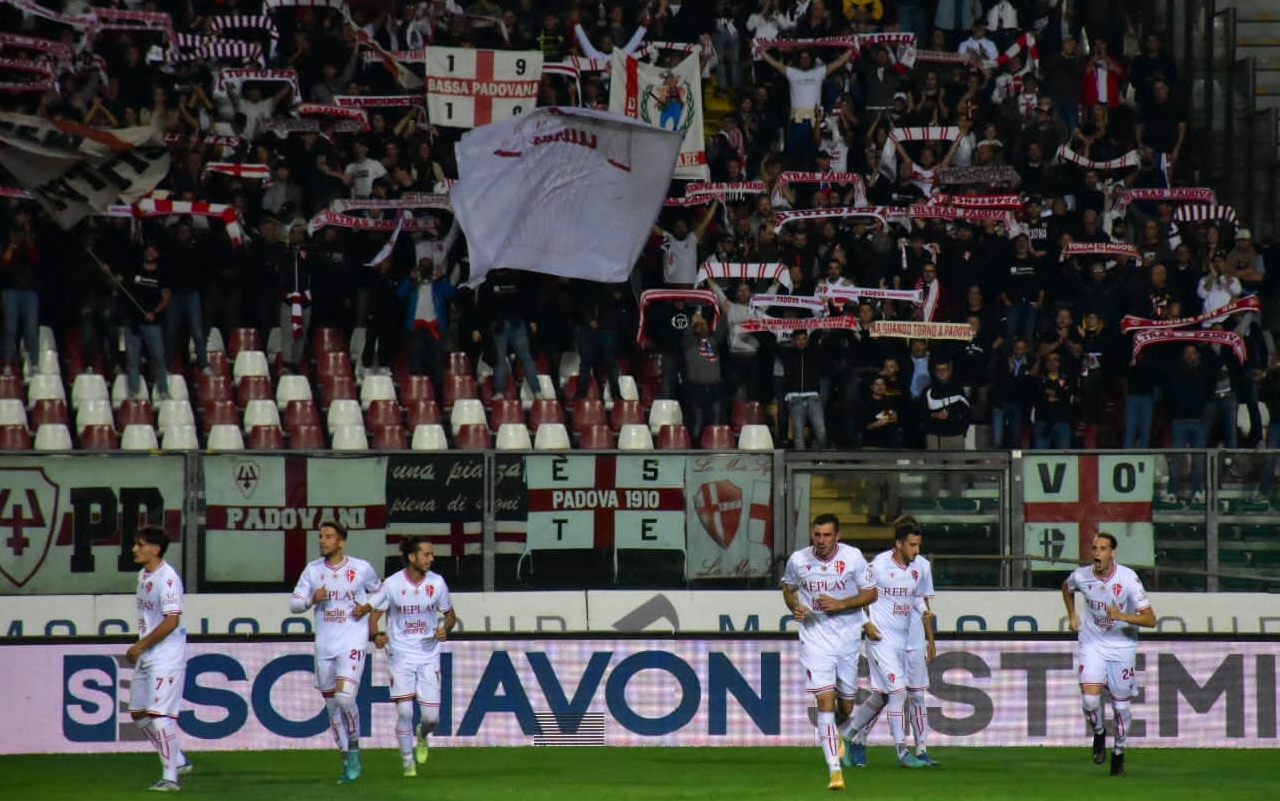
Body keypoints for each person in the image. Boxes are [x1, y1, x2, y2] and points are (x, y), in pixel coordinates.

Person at [781, 513, 878, 790]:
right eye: (817, 535)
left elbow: (871, 593)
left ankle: (836, 731)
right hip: (815, 639)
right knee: (825, 701)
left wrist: (841, 604)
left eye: (827, 535)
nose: (821, 540)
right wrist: (795, 607)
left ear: (837, 536)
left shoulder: (853, 557)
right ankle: (835, 772)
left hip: (847, 640)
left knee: (845, 707)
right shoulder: (798, 560)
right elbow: (788, 589)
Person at [289, 521, 383, 784]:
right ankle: (345, 758)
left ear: (341, 542)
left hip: (352, 642)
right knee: (332, 706)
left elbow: (382, 592)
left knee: (344, 698)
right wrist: (312, 600)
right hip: (325, 646)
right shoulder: (313, 570)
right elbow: (294, 604)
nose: (323, 540)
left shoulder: (361, 568)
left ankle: (354, 750)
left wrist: (367, 607)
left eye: (329, 537)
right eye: (321, 536)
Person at [1061, 533, 1157, 777]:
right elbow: (1066, 588)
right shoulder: (1082, 576)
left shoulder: (1128, 579)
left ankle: (1119, 752)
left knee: (1120, 707)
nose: (1097, 553)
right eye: (1094, 548)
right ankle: (1099, 732)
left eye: (1103, 549)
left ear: (1113, 552)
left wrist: (1122, 616)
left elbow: (1150, 619)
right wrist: (1072, 615)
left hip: (1122, 647)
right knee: (1089, 701)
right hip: (1092, 643)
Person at [839, 521, 931, 769]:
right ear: (899, 544)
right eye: (912, 545)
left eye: (918, 546)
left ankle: (847, 736)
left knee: (880, 696)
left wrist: (924, 612)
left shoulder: (915, 570)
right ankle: (902, 752)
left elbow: (914, 598)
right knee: (899, 692)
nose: (916, 551)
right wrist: (865, 623)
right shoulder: (879, 566)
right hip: (880, 641)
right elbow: (853, 594)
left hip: (901, 643)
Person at [367, 537, 456, 778]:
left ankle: (423, 735)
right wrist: (376, 635)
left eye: (432, 554)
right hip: (400, 654)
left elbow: (450, 614)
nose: (431, 559)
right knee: (405, 711)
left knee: (431, 718)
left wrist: (445, 628)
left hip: (428, 654)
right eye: (426, 554)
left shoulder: (437, 582)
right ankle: (408, 763)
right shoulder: (392, 584)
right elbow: (374, 616)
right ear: (412, 557)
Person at [128, 524, 192, 792]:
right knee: (138, 713)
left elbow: (171, 620)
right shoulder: (143, 575)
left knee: (160, 715)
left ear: (155, 549)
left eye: (140, 545)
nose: (135, 549)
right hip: (149, 652)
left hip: (166, 654)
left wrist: (140, 645)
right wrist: (143, 647)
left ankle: (170, 778)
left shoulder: (168, 578)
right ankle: (178, 760)